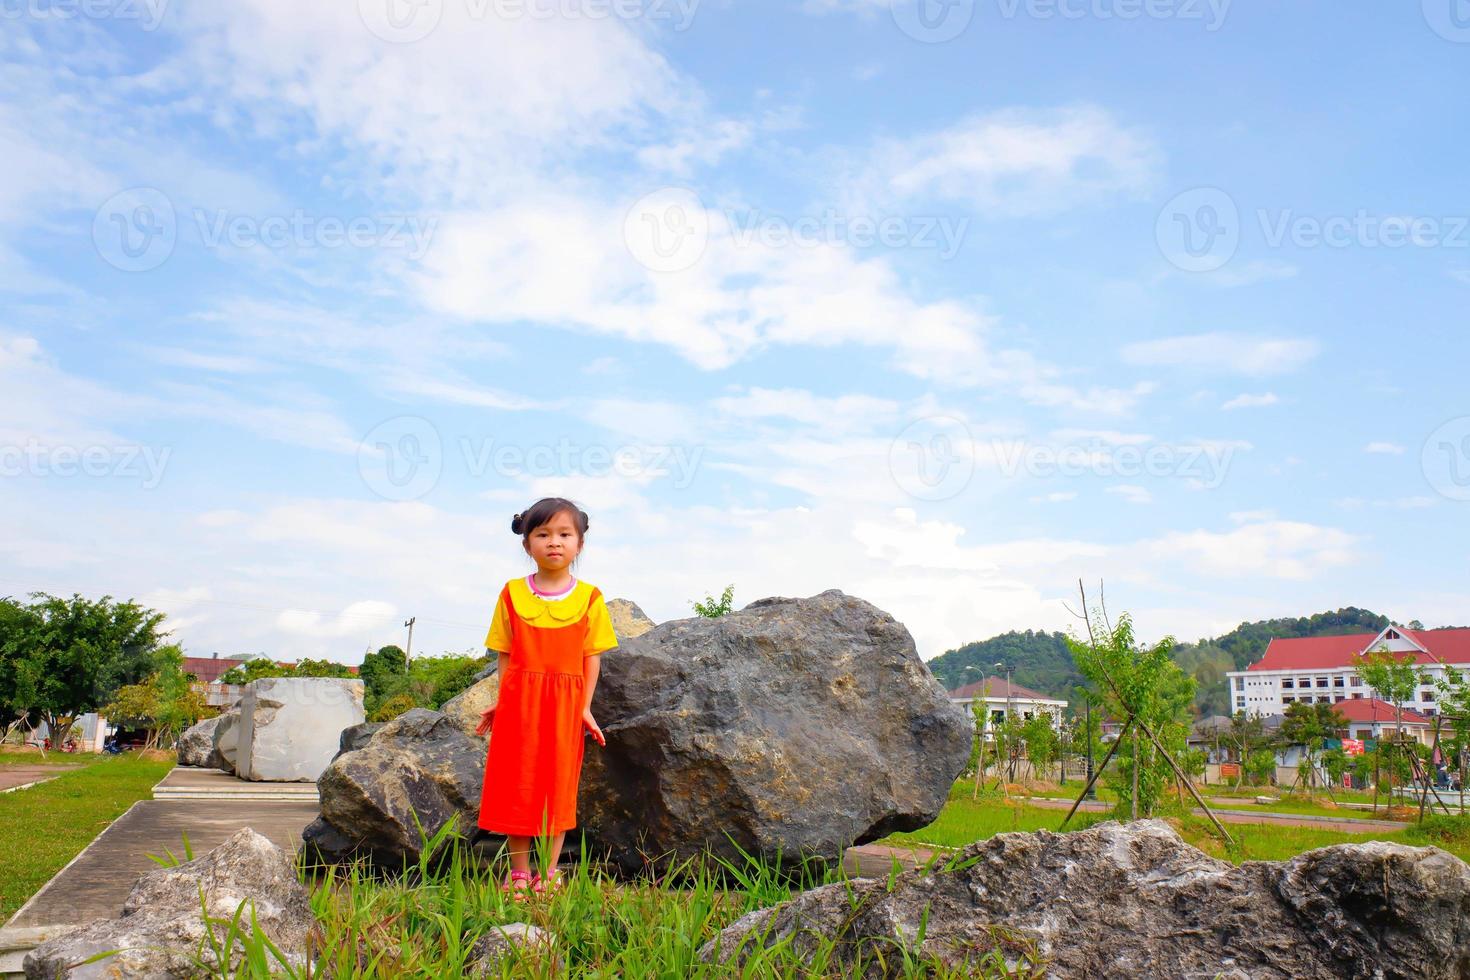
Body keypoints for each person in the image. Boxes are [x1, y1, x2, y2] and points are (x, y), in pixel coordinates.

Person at [476, 496, 618, 897]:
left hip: (565, 705)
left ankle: (550, 871)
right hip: (520, 703)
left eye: (564, 534)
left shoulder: (590, 597)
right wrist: (504, 700)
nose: (554, 542)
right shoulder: (511, 593)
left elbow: (592, 658)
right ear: (527, 544)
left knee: (557, 787)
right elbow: (505, 654)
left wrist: (585, 707)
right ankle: (518, 872)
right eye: (543, 534)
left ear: (579, 544)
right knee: (516, 785)